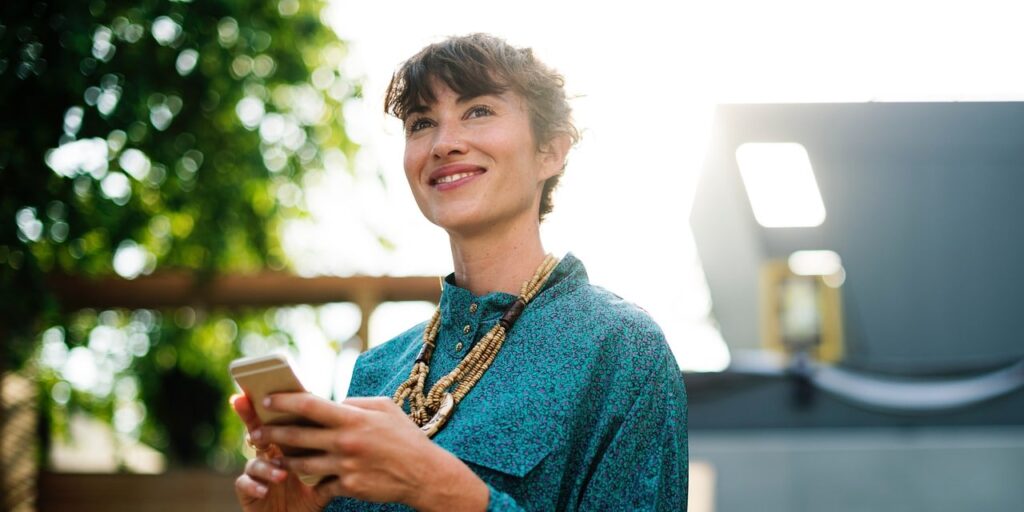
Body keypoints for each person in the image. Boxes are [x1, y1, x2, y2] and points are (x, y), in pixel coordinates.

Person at [231, 33, 688, 511]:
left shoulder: (621, 348)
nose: (444, 143)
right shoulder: (377, 370)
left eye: (478, 111)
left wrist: (440, 486)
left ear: (550, 151)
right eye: (421, 122)